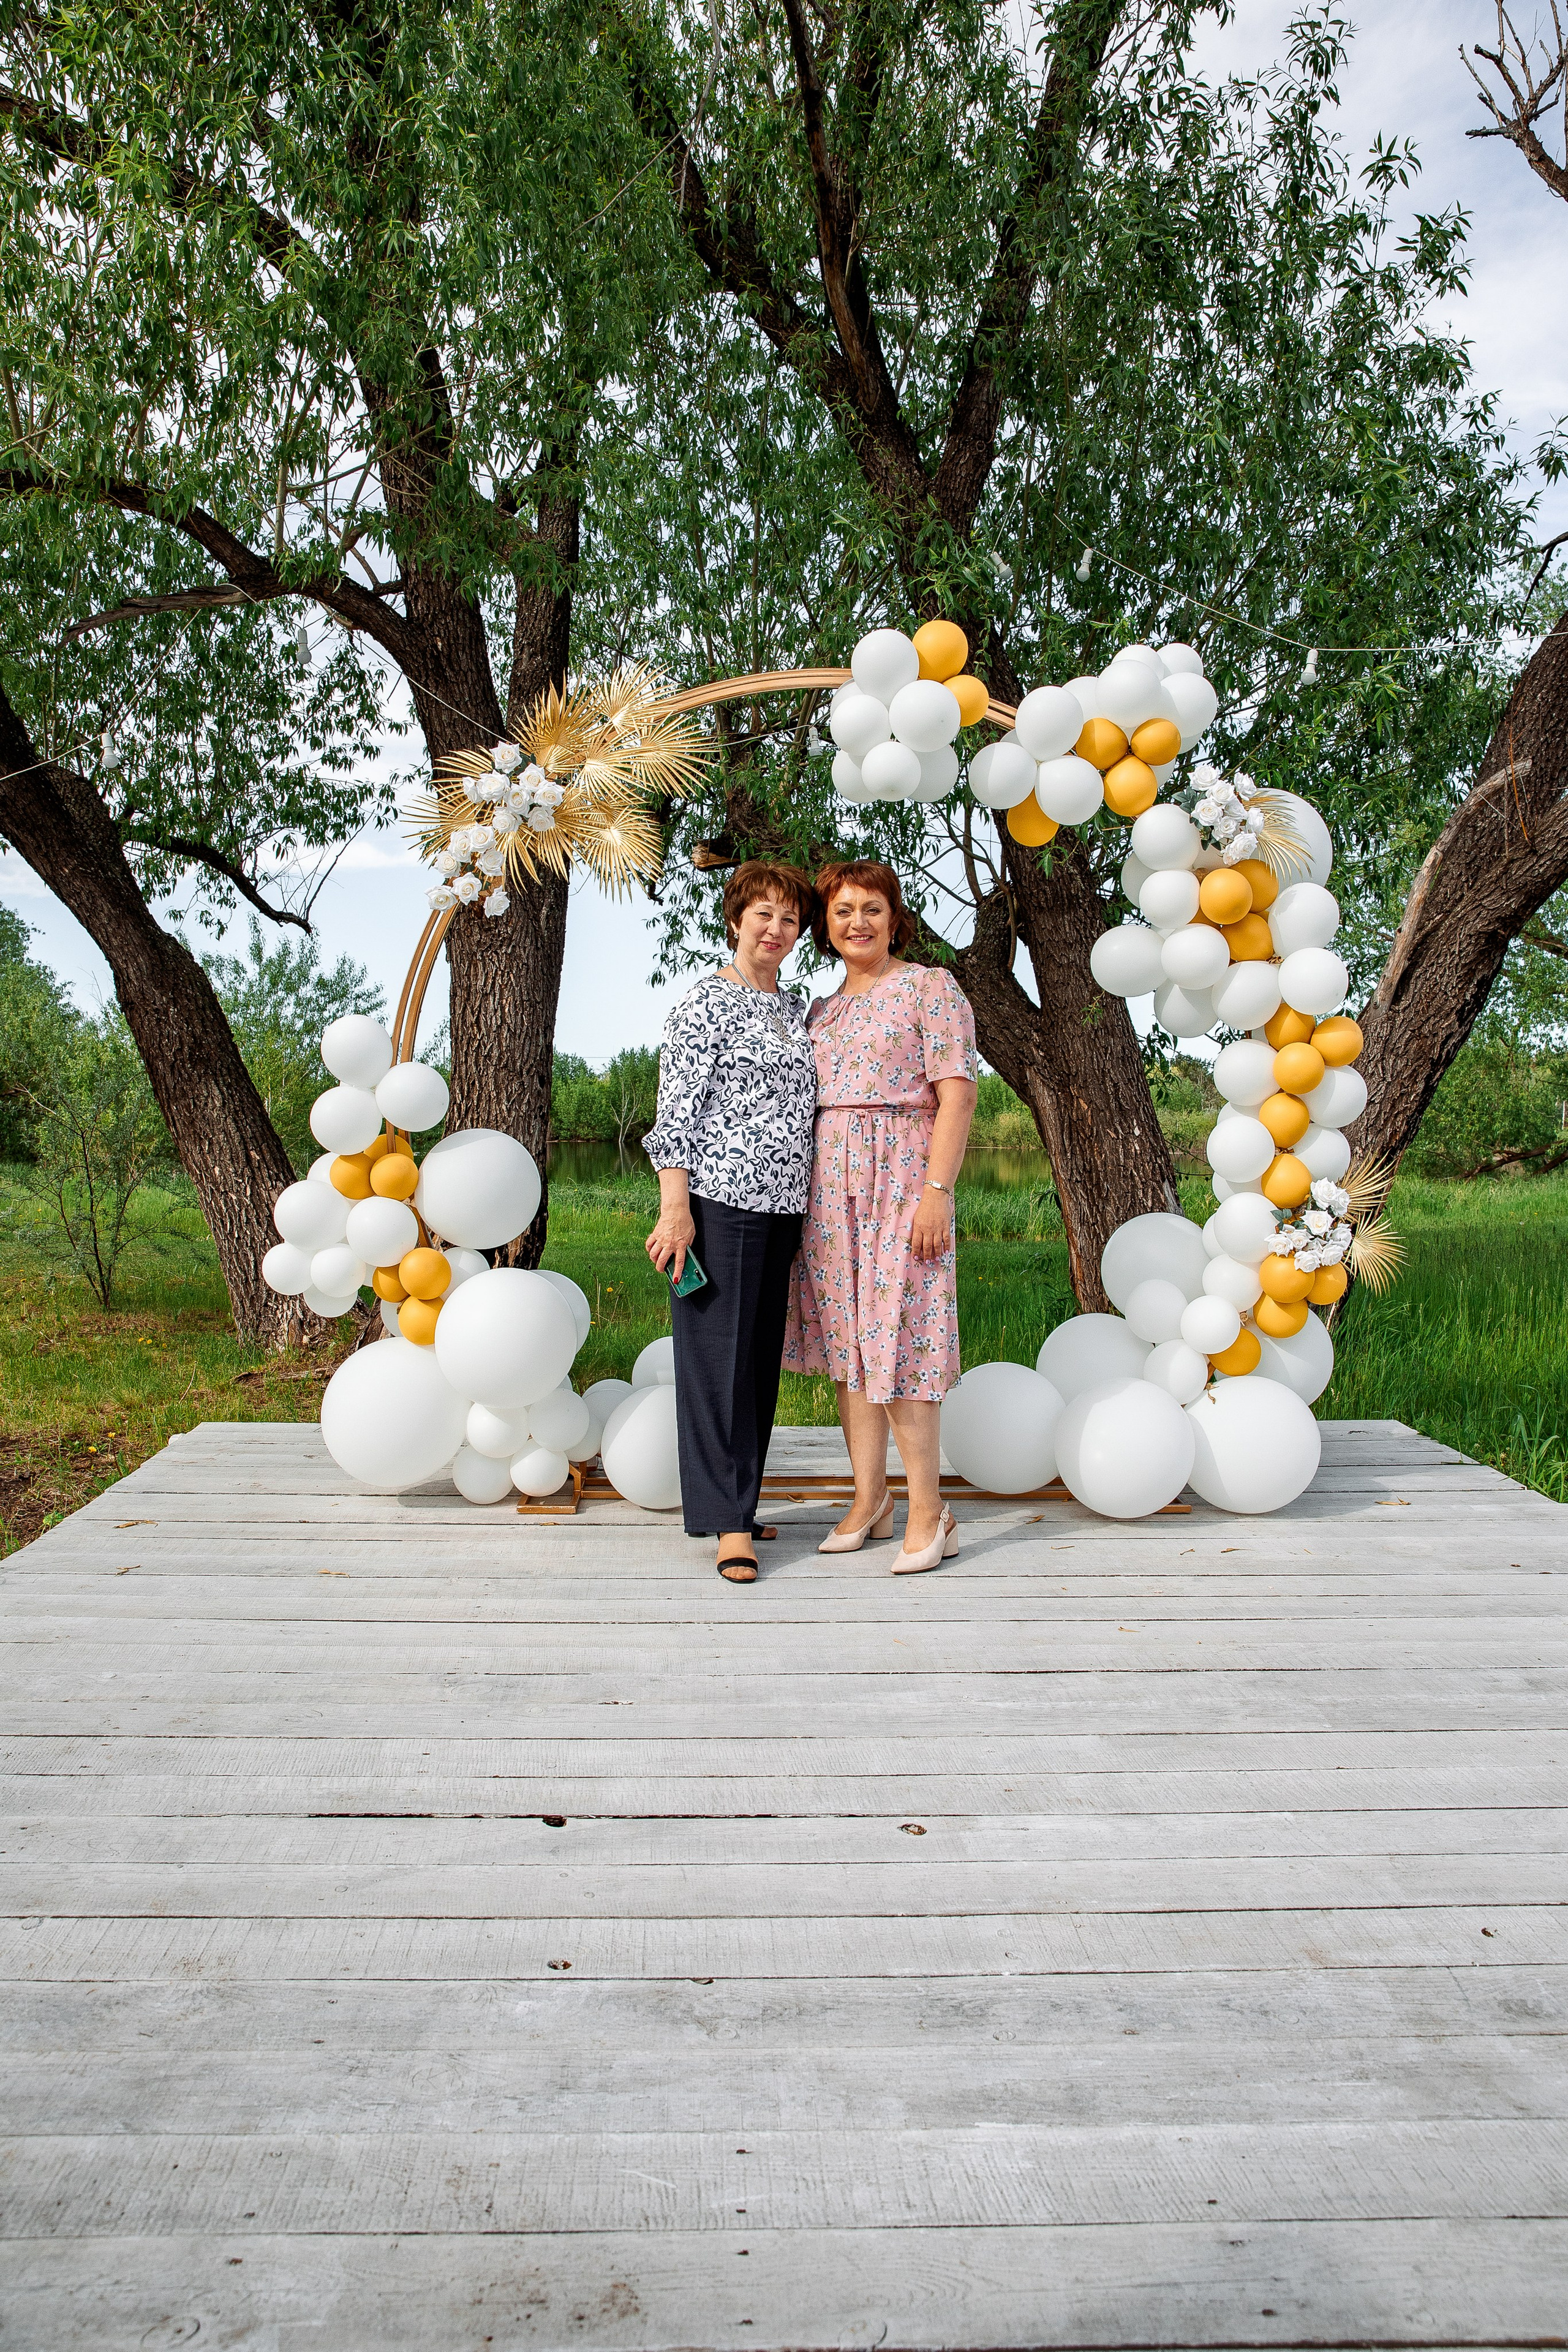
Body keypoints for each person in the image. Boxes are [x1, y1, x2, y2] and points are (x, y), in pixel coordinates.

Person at [784, 860, 978, 1574]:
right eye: (841, 911)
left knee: (900, 1343)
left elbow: (957, 1097)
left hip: (903, 1179)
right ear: (825, 926)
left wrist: (938, 1191)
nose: (856, 922)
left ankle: (930, 1511)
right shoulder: (821, 1010)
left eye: (871, 908)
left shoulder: (929, 987)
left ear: (894, 918)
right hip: (829, 1192)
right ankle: (871, 1499)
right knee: (848, 1349)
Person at [643, 862, 819, 1585]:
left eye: (788, 920)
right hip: (719, 1206)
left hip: (783, 1210)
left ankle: (738, 1498)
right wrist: (675, 1209)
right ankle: (727, 1525)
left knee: (755, 1369)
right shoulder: (704, 1004)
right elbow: (676, 1115)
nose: (775, 930)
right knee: (717, 1368)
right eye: (763, 916)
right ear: (735, 920)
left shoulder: (793, 1008)